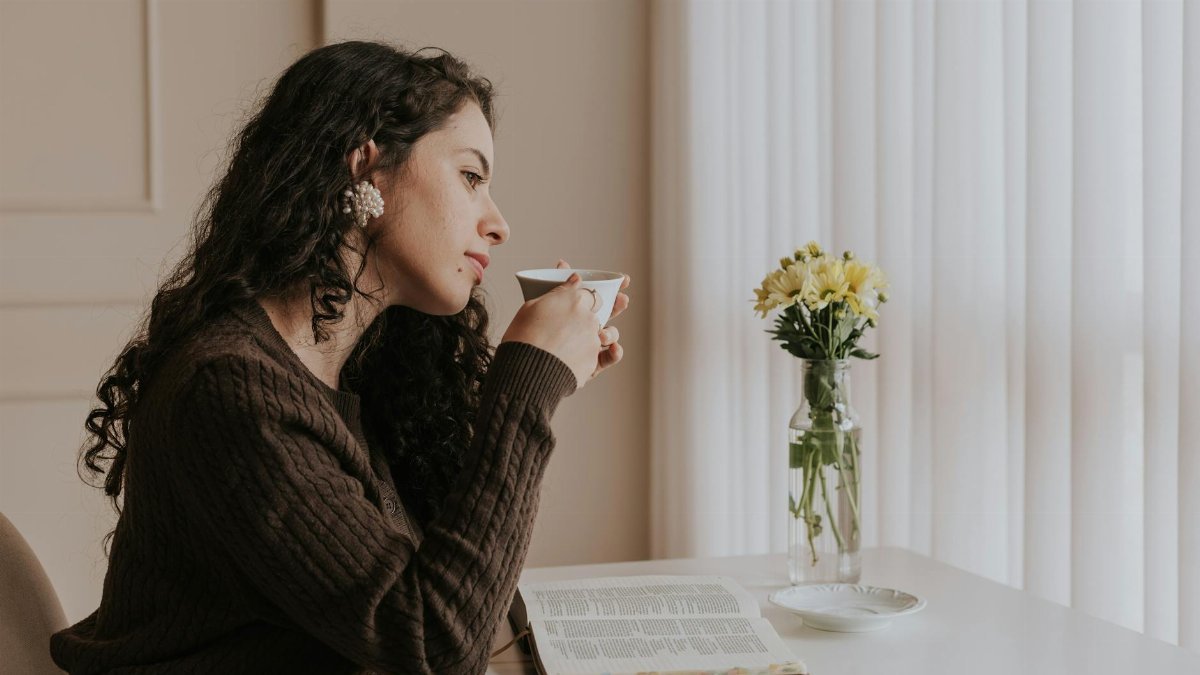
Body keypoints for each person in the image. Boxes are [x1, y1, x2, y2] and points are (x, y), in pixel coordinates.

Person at [49, 40, 628, 674]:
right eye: (470, 176)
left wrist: (542, 377)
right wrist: (527, 384)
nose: (498, 224)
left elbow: (453, 596)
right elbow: (432, 646)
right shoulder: (230, 390)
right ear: (365, 167)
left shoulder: (355, 377)